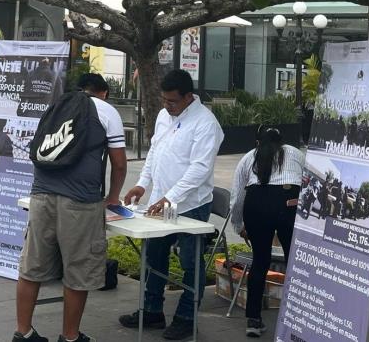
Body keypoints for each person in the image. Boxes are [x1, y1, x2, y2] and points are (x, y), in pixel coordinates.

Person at [12, 73, 127, 342]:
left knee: (32, 266)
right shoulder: (107, 111)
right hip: (81, 202)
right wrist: (112, 197)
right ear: (104, 92)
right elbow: (119, 163)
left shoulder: (57, 105)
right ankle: (70, 337)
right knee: (78, 270)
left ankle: (23, 332)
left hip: (40, 196)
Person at [119, 69, 224, 340]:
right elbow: (155, 151)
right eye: (164, 100)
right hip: (159, 201)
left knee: (191, 262)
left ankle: (187, 318)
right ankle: (152, 310)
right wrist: (143, 183)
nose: (167, 106)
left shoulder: (206, 123)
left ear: (189, 97)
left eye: (173, 101)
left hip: (191, 204)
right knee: (153, 256)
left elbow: (199, 169)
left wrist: (171, 196)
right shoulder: (165, 115)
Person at [229, 125, 305, 337]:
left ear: (257, 142)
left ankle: (253, 320)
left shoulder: (249, 157)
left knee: (260, 261)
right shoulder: (295, 152)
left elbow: (236, 197)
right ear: (282, 141)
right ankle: (296, 318)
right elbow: (308, 183)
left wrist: (239, 225)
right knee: (294, 263)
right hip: (288, 202)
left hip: (257, 205)